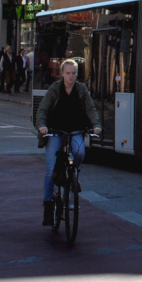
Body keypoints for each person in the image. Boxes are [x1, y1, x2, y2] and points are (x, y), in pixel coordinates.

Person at [34, 58, 101, 226]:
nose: (71, 76)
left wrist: (96, 125)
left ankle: (73, 175)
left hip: (76, 129)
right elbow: (42, 109)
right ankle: (48, 205)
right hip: (55, 131)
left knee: (80, 152)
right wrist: (42, 126)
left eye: (74, 73)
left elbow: (90, 108)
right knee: (50, 170)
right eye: (68, 73)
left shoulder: (81, 89)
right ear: (62, 74)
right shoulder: (54, 89)